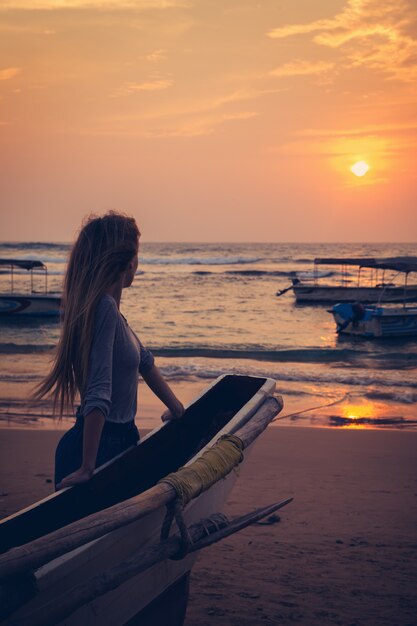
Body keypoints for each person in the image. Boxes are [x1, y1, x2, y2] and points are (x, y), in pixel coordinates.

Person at [34, 211, 184, 490]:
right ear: (127, 263)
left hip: (121, 440)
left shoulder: (112, 313)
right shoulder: (104, 310)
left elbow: (145, 361)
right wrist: (88, 467)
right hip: (101, 448)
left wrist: (176, 409)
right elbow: (99, 388)